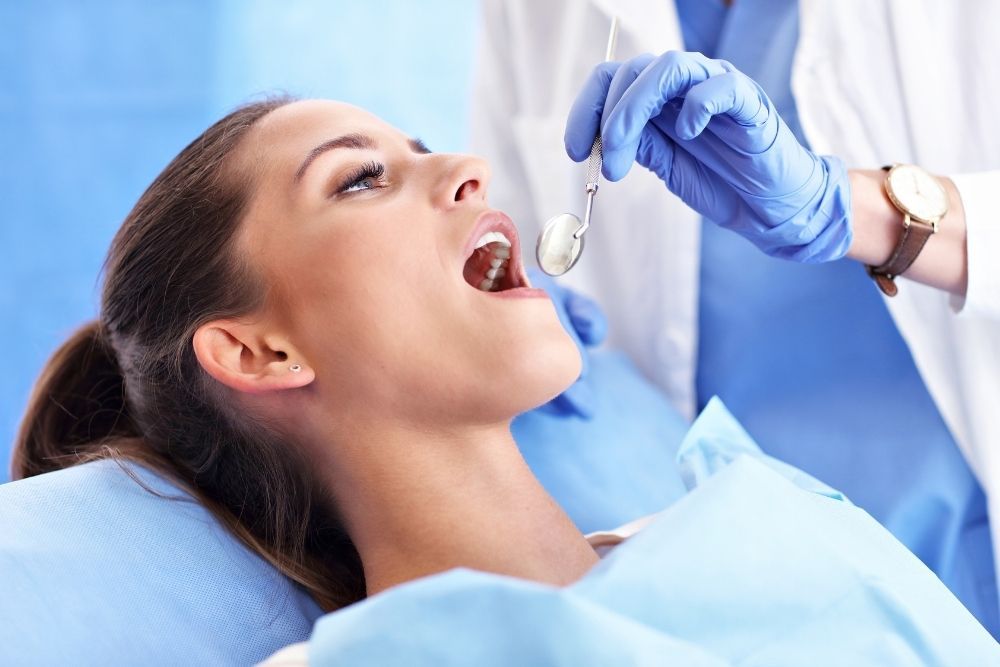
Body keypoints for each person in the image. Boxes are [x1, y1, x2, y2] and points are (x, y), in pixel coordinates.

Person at [13, 96, 996, 665]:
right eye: (359, 179)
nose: (470, 167)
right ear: (259, 353)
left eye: (420, 148)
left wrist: (873, 214)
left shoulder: (758, 511)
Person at [470, 0, 1000, 635]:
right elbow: (514, 233)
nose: (455, 172)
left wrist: (855, 211)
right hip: (736, 599)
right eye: (371, 177)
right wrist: (529, 302)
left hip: (960, 561)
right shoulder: (531, 14)